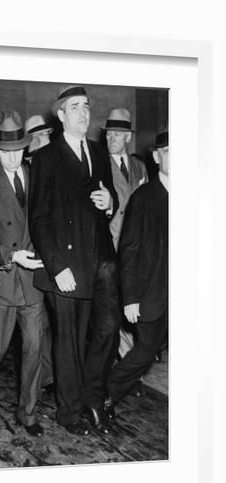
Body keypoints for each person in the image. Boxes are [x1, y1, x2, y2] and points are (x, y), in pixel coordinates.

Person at [30, 85, 121, 435]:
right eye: (75, 107)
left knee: (108, 330)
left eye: (86, 106)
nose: (84, 113)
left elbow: (106, 199)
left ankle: (92, 398)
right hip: (67, 265)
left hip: (101, 258)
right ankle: (69, 413)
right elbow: (38, 218)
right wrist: (56, 267)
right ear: (62, 115)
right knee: (68, 341)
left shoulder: (98, 153)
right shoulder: (47, 158)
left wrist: (109, 201)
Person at [0, 111, 50, 437]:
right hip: (3, 278)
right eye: (7, 151)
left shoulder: (36, 174)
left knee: (34, 345)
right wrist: (10, 254)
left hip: (32, 281)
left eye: (19, 149)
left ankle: (27, 411)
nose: (14, 156)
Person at [103, 131, 169, 420]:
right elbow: (128, 250)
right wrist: (130, 298)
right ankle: (107, 393)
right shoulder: (144, 198)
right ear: (156, 157)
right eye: (169, 152)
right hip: (152, 294)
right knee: (144, 351)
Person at [103, 108, 149, 362]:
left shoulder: (140, 166)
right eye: (109, 134)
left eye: (117, 134)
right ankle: (125, 364)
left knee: (132, 303)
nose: (111, 139)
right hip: (112, 245)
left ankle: (130, 360)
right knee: (115, 307)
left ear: (128, 137)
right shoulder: (100, 164)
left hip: (136, 247)